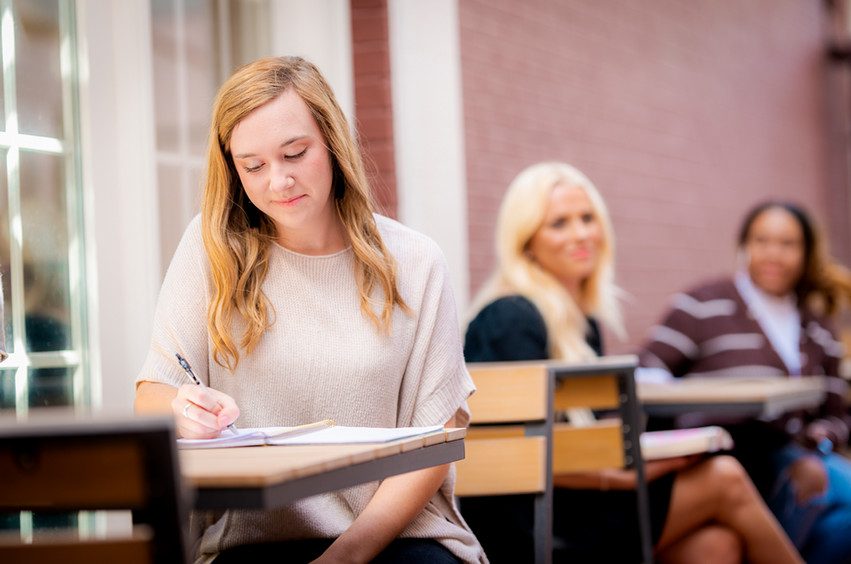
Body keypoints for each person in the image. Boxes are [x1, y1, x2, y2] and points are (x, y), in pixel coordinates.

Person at [134, 56, 486, 564]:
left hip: (397, 539)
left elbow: (437, 441)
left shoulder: (416, 262)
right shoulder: (211, 253)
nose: (278, 181)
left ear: (331, 143)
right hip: (253, 543)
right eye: (252, 166)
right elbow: (152, 394)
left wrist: (344, 557)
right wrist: (183, 411)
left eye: (295, 153)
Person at [462, 162, 802, 564]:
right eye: (559, 224)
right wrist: (628, 472)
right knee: (725, 478)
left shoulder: (578, 321)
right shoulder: (512, 316)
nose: (582, 234)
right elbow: (507, 457)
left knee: (716, 545)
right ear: (526, 242)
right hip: (536, 521)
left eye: (588, 218)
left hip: (575, 501)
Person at [639, 201, 851, 564]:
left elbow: (838, 414)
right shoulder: (704, 304)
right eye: (761, 240)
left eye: (788, 244)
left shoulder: (816, 325)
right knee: (818, 484)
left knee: (836, 514)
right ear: (743, 245)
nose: (773, 253)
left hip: (793, 452)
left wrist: (822, 440)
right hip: (719, 449)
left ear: (805, 252)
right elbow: (647, 370)